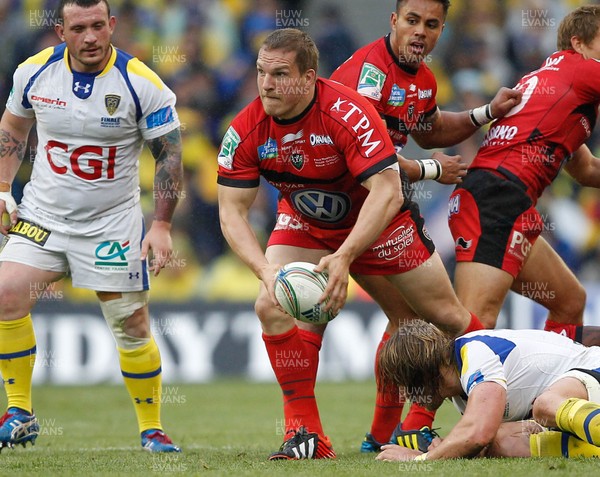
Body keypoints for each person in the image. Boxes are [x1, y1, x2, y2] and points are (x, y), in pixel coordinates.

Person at [217, 27, 489, 461]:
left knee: (447, 318)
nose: (266, 84)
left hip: (379, 220)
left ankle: (500, 399)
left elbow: (388, 191)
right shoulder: (246, 129)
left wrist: (344, 257)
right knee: (269, 305)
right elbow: (231, 210)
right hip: (305, 221)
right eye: (261, 72)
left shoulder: (348, 112)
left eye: (280, 74)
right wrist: (266, 272)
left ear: (309, 79)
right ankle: (305, 435)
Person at [329, 0, 522, 451]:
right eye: (412, 21)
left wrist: (485, 113)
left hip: (376, 207)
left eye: (431, 25)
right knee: (441, 319)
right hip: (358, 207)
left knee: (408, 320)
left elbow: (430, 128)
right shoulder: (367, 76)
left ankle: (385, 435)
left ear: (440, 30)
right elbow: (365, 157)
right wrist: (430, 171)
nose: (420, 32)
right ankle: (423, 420)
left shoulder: (423, 80)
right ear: (393, 21)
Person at [0, 0, 182, 452]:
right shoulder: (33, 72)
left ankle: (152, 429)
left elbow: (170, 156)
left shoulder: (142, 84)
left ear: (112, 25)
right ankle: (19, 412)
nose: (91, 38)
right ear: (61, 31)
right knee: (4, 293)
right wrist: (4, 188)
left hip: (110, 224)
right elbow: (13, 129)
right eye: (79, 28)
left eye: (99, 26)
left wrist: (160, 226)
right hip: (42, 215)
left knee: (131, 323)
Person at [448, 5, 600, 342]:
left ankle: (556, 390)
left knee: (569, 302)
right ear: (578, 43)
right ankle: (414, 392)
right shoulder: (583, 70)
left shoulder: (557, 83)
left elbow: (586, 168)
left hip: (504, 199)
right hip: (495, 197)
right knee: (474, 326)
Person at [376, 319, 600, 460]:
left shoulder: (474, 353)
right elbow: (482, 439)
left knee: (545, 405)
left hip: (593, 369)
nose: (405, 394)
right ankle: (594, 453)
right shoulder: (461, 389)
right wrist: (445, 448)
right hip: (583, 401)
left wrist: (420, 460)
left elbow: (478, 434)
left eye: (405, 384)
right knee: (499, 443)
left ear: (421, 372)